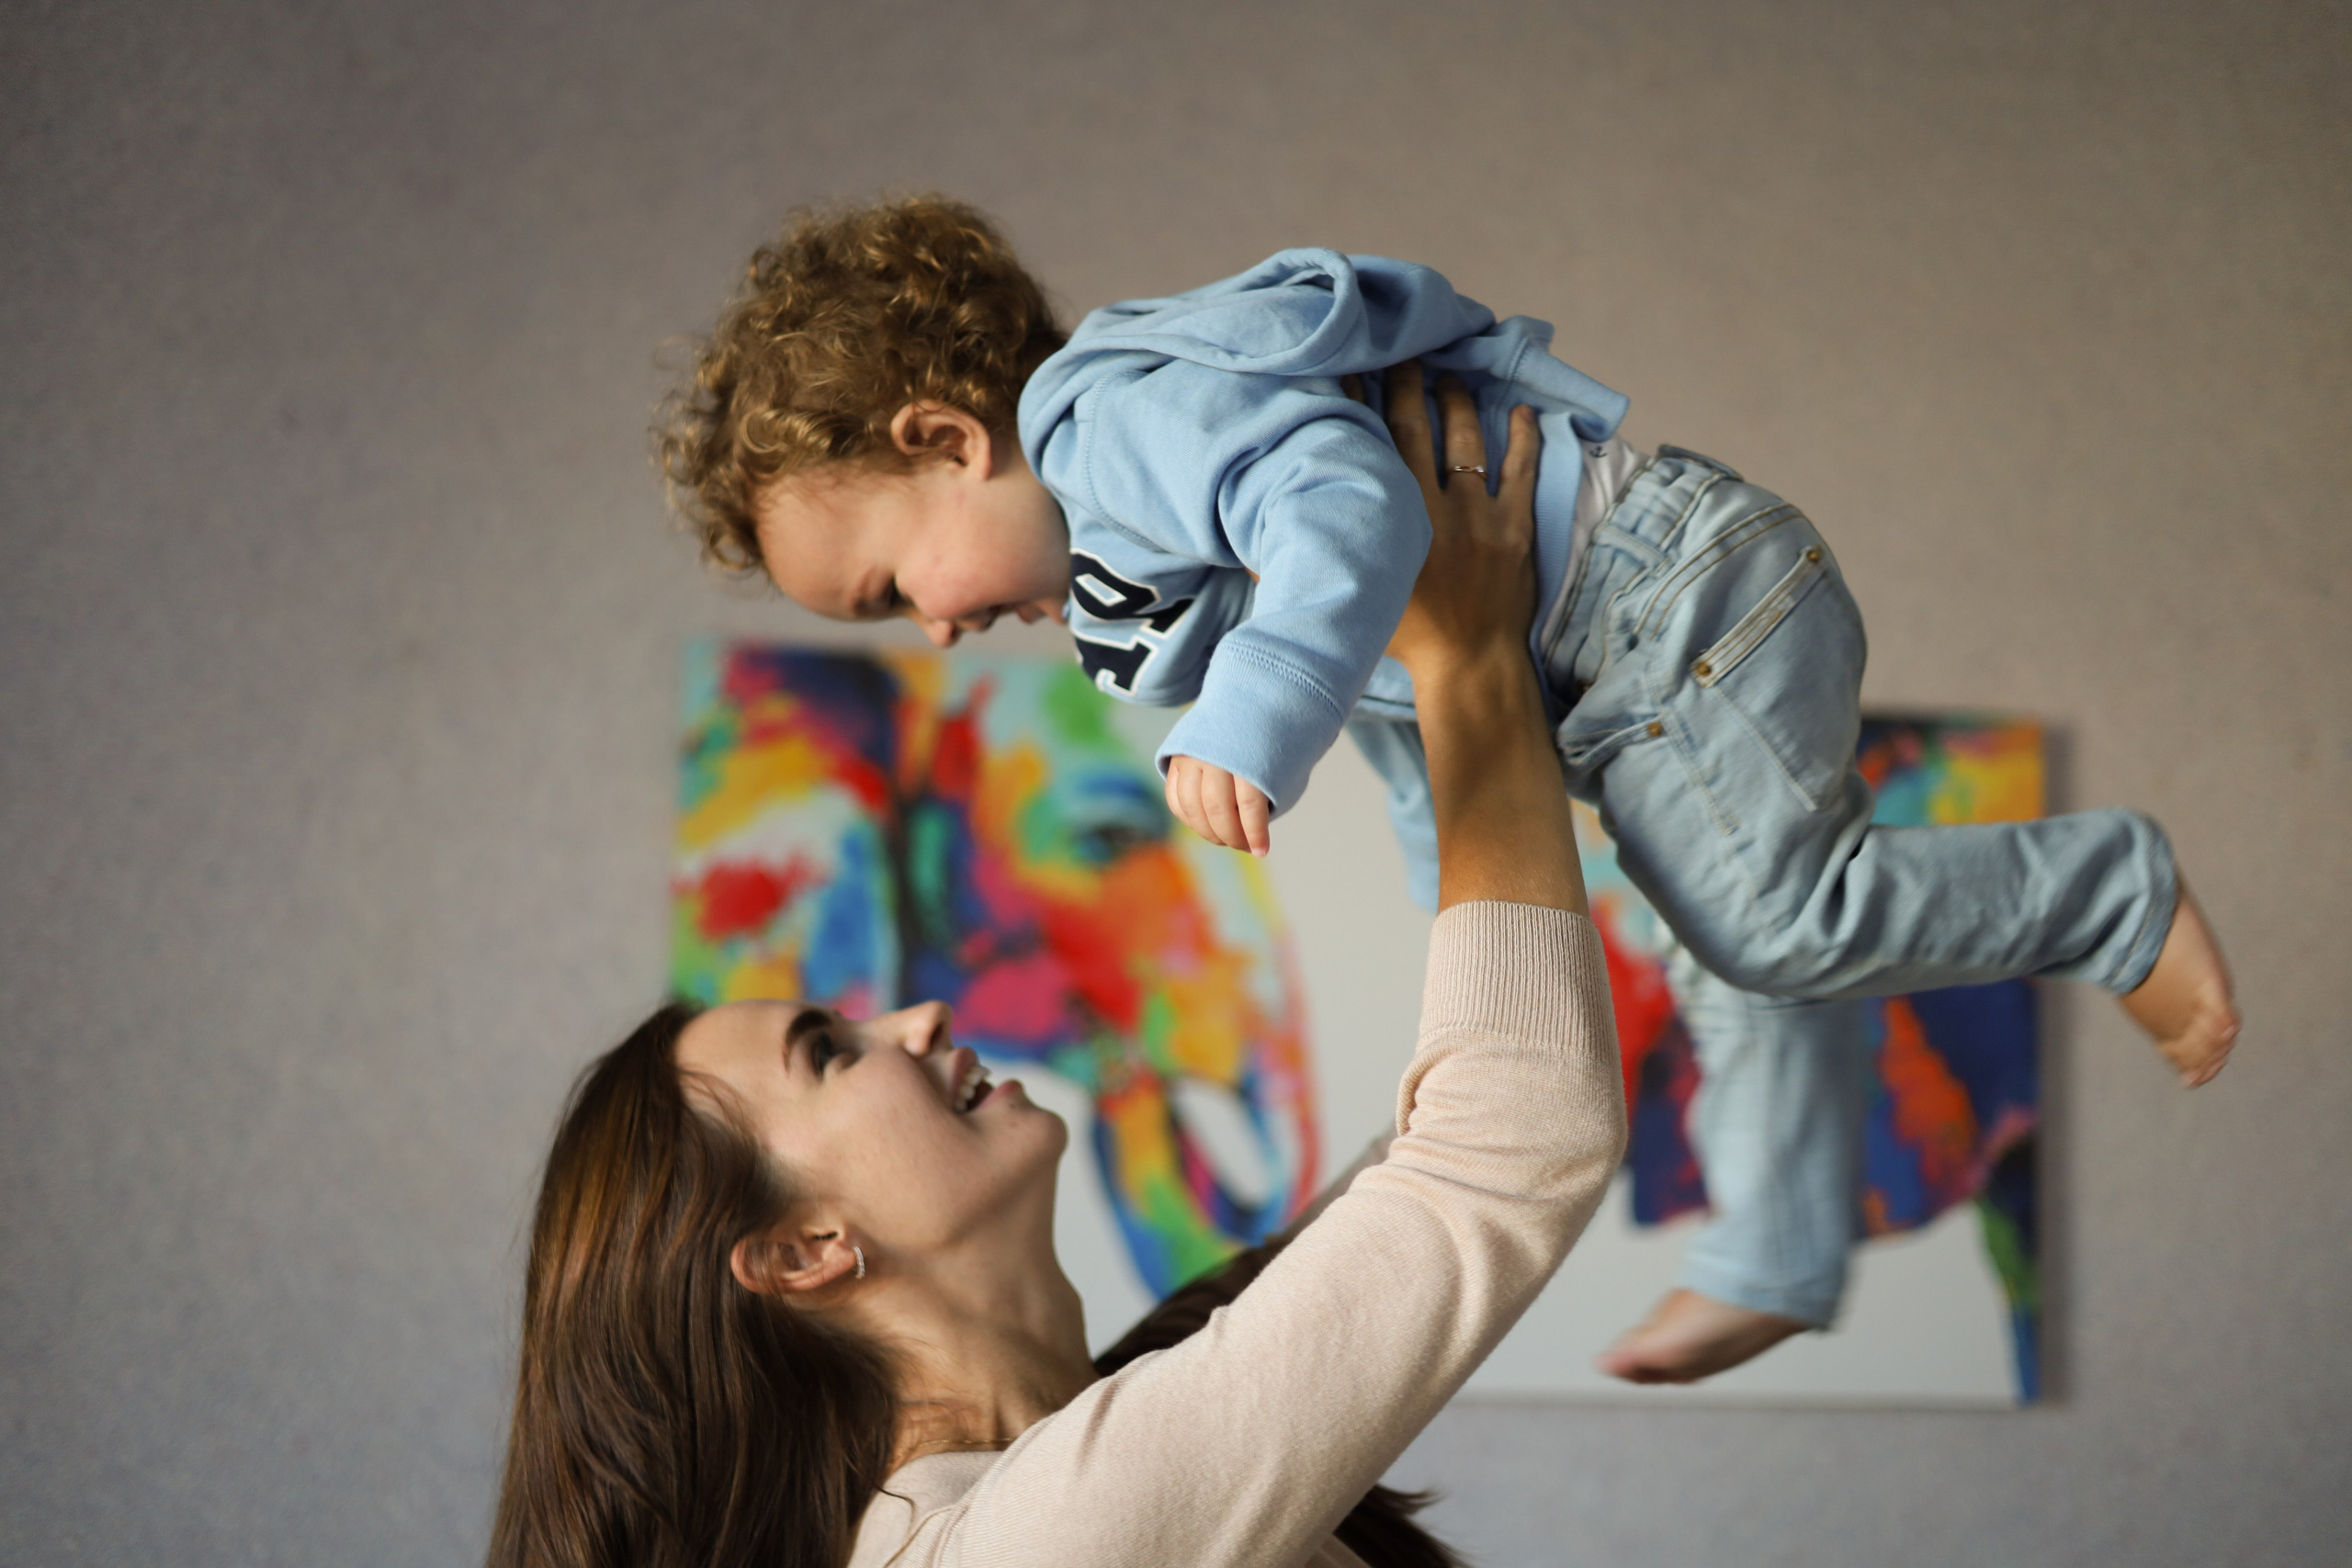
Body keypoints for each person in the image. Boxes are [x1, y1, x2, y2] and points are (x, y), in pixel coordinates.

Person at [655, 196, 2239, 1381]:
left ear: (946, 436)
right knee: (1721, 943)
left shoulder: (1107, 424)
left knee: (1767, 925)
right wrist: (1458, 929)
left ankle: (2114, 895)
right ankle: (1780, 1245)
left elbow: (1353, 514)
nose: (934, 633)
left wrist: (1255, 715)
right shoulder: (1116, 557)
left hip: (1671, 595)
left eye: (887, 591)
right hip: (1613, 654)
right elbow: (1413, 708)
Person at [492, 384, 1626, 1568]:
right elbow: (1513, 1130)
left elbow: (1463, 1116)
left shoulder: (1094, 1448)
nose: (918, 1019)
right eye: (828, 1054)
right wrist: (1469, 653)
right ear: (801, 1252)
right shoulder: (1025, 1547)